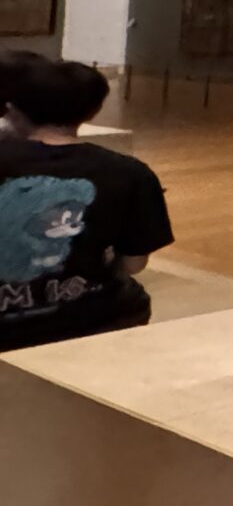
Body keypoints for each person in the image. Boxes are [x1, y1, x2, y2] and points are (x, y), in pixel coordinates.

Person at [0, 57, 172, 351]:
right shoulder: (130, 173)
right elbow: (134, 264)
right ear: (92, 110)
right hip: (90, 319)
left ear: (13, 111)